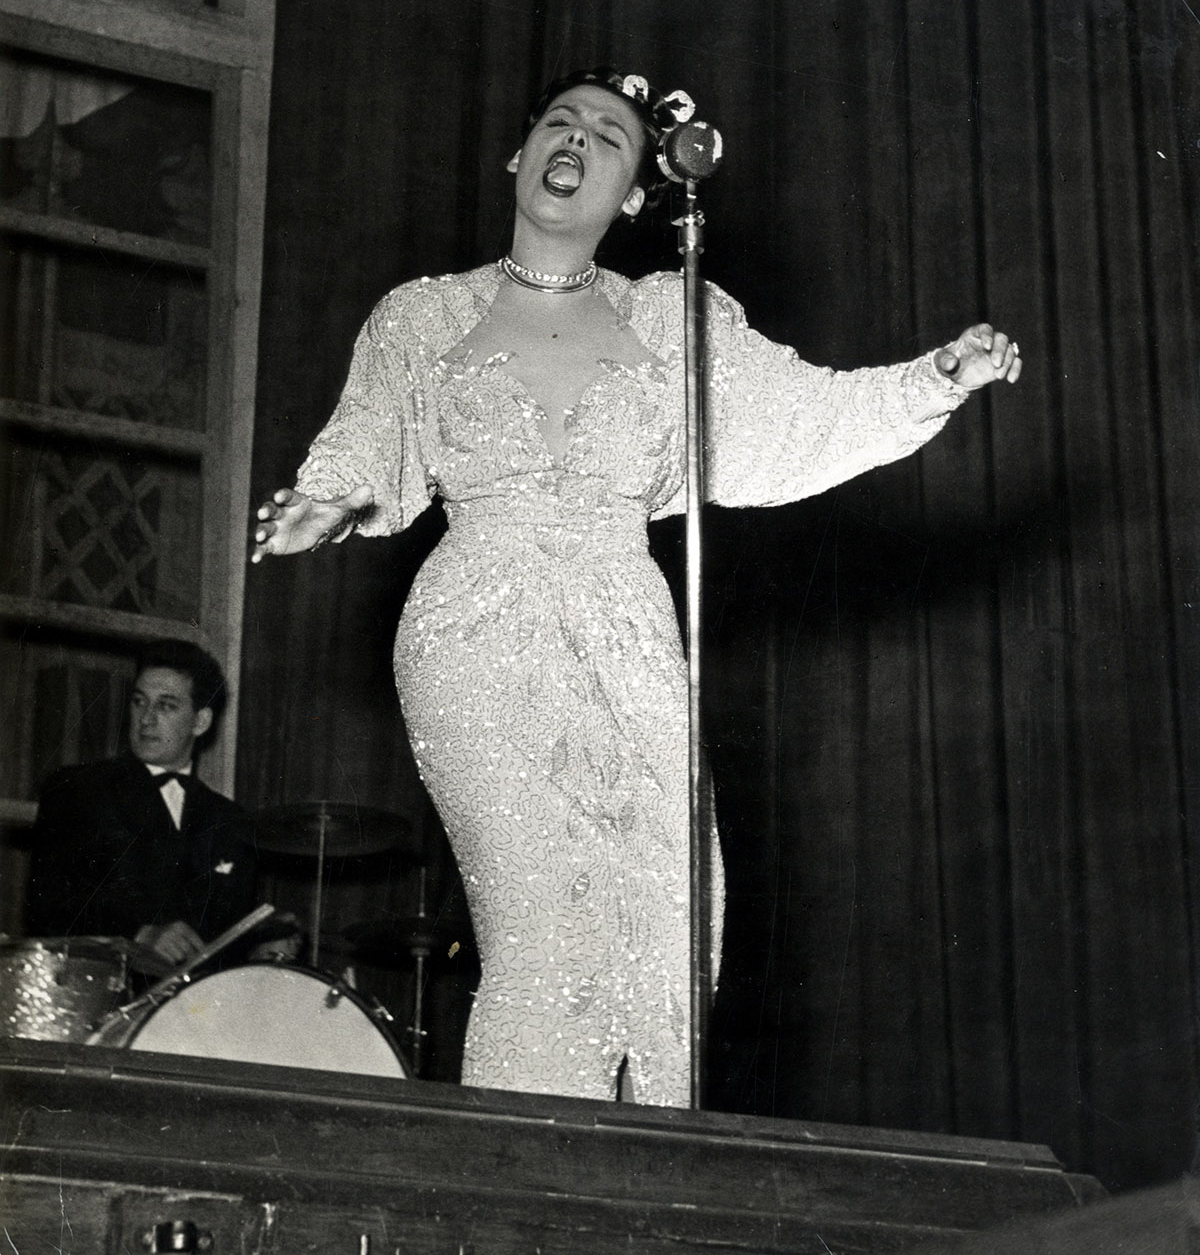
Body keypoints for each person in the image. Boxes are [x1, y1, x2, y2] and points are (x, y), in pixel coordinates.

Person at [251, 65, 1022, 1107]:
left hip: (627, 621)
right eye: (560, 123)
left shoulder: (674, 320)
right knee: (549, 930)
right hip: (479, 626)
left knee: (673, 923)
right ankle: (524, 1193)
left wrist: (935, 377)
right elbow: (362, 439)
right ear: (521, 158)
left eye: (610, 136)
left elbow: (808, 413)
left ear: (637, 196)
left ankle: (644, 1179)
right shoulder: (422, 317)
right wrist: (328, 501)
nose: (579, 138)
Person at [25, 639, 259, 969]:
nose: (146, 719)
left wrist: (263, 943)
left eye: (166, 706)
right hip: (107, 1000)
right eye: (139, 702)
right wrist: (138, 935)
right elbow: (45, 910)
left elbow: (228, 934)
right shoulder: (76, 789)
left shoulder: (230, 820)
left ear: (200, 721)